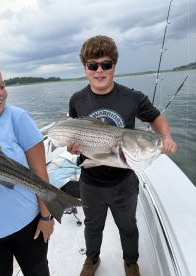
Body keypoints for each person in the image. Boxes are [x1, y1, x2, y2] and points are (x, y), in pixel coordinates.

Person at [67, 35, 177, 276]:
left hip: (123, 182)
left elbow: (156, 118)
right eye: (92, 65)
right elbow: (74, 135)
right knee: (92, 226)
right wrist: (72, 147)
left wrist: (166, 137)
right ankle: (92, 260)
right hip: (90, 182)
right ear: (84, 67)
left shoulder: (133, 97)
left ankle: (130, 263)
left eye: (106, 64)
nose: (99, 71)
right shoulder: (77, 100)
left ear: (114, 66)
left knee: (128, 227)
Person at [0, 61, 54, 276]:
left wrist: (46, 217)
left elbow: (39, 172)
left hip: (28, 225)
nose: (0, 93)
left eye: (2, 86)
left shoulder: (17, 117)